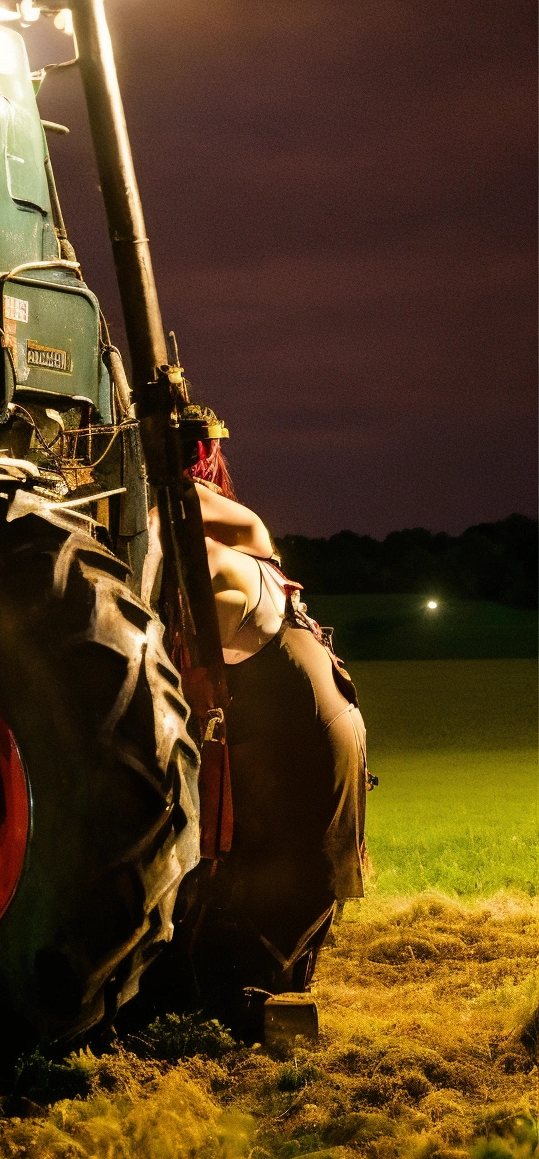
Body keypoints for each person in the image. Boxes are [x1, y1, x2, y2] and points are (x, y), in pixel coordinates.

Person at [172, 405, 372, 1030]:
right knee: (273, 879)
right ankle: (258, 998)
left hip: (297, 718)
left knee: (278, 880)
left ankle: (253, 1007)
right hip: (311, 703)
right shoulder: (233, 526)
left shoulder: (187, 521)